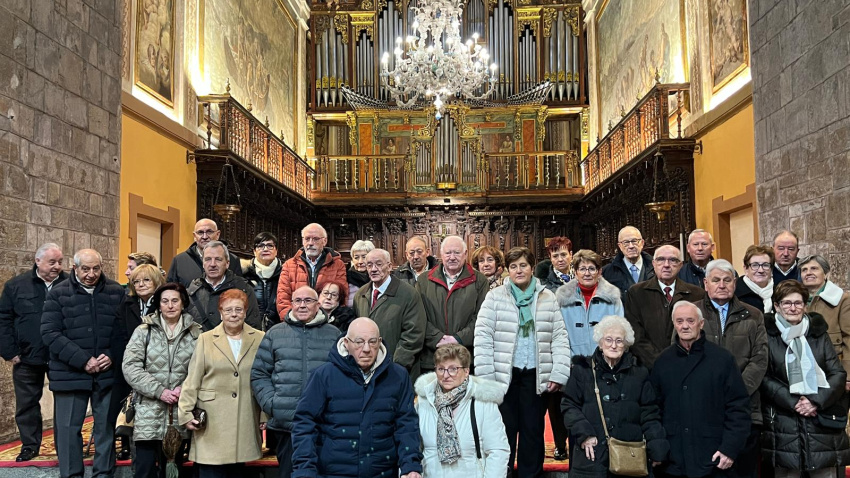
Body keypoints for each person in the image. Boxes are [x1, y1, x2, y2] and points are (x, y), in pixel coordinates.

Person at [474, 247, 570, 478]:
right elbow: (483, 337)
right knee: (503, 435)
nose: (519, 270)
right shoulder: (495, 297)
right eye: (513, 266)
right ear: (507, 270)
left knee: (533, 433)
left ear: (532, 267)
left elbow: (559, 336)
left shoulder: (547, 297)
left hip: (536, 376)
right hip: (503, 377)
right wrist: (487, 379)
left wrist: (558, 372)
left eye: (523, 265)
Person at [291, 317, 423, 478]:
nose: (366, 348)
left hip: (382, 471)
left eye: (372, 342)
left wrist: (411, 465)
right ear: (346, 343)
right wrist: (304, 470)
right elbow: (305, 423)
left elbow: (406, 424)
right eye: (359, 342)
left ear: (380, 341)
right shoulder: (324, 375)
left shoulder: (398, 376)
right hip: (333, 472)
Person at [41, 249, 126, 478]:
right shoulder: (58, 294)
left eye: (95, 268)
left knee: (105, 429)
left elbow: (124, 330)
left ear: (102, 267)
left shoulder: (116, 292)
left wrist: (111, 354)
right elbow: (49, 333)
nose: (91, 274)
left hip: (106, 374)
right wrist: (83, 360)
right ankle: (71, 475)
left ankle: (103, 474)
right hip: (69, 374)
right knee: (68, 430)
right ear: (74, 268)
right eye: (85, 269)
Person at [649, 301, 751, 478]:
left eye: (690, 320)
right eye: (679, 321)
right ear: (674, 324)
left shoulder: (722, 359)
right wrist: (658, 448)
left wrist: (729, 448)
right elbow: (652, 410)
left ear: (701, 323)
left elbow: (738, 408)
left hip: (713, 457)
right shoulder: (662, 361)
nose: (685, 326)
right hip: (673, 459)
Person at [761, 281, 850, 478]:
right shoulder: (767, 335)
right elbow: (764, 377)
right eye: (786, 303)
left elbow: (837, 374)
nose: (793, 308)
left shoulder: (818, 333)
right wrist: (793, 402)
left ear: (805, 305)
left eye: (798, 303)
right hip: (784, 422)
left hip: (820, 421)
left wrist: (815, 401)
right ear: (776, 306)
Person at [561, 315, 669, 477]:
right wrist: (585, 434)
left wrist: (657, 445)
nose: (613, 345)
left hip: (628, 457)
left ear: (626, 345)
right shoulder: (582, 370)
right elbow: (569, 406)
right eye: (608, 339)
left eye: (619, 341)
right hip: (592, 456)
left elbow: (650, 413)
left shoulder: (639, 373)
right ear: (600, 342)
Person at [251, 286, 340, 478]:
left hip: (324, 425)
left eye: (308, 301)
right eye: (297, 301)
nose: (302, 305)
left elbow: (343, 376)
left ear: (318, 305)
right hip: (286, 426)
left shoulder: (334, 335)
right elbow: (259, 373)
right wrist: (273, 405)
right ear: (291, 304)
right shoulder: (275, 333)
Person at [178, 289, 265, 478]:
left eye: (238, 310)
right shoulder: (205, 339)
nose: (234, 314)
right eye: (228, 310)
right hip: (212, 420)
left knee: (238, 471)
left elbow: (264, 379)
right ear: (220, 313)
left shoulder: (260, 338)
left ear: (245, 311)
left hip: (245, 416)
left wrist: (264, 414)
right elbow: (192, 379)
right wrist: (184, 412)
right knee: (211, 471)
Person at [694, 259, 768, 478]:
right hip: (703, 409)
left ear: (735, 283)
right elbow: (681, 357)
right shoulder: (692, 313)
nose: (722, 285)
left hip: (745, 408)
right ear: (705, 283)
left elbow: (760, 359)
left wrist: (736, 393)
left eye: (727, 280)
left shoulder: (753, 314)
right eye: (716, 280)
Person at [122, 282, 201, 478]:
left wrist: (185, 389)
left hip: (180, 410)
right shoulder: (144, 331)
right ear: (158, 305)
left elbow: (203, 369)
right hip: (148, 409)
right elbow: (130, 366)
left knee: (174, 468)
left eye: (175, 300)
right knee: (145, 468)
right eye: (165, 301)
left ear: (183, 303)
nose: (170, 305)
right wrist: (160, 391)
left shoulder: (196, 333)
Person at [0, 243, 67, 462]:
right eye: (52, 262)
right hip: (27, 356)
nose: (57, 266)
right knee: (27, 403)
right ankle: (30, 445)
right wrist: (9, 351)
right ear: (37, 261)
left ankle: (65, 445)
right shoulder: (16, 286)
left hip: (62, 356)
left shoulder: (70, 284)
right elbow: (4, 319)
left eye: (60, 262)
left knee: (65, 402)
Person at [553, 249, 622, 461]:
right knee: (577, 421)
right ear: (575, 271)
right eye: (582, 268)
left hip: (604, 366)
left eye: (592, 268)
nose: (587, 273)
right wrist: (569, 361)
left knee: (603, 418)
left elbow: (619, 329)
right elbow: (558, 332)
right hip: (574, 367)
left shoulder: (612, 297)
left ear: (600, 271)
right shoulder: (562, 297)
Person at [414, 344, 510, 477]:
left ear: (466, 371)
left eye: (453, 369)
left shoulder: (483, 403)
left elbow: (498, 451)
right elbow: (413, 448)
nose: (446, 375)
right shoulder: (424, 402)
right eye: (441, 369)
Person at [112, 264, 166, 461]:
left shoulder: (164, 302)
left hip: (158, 366)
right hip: (130, 365)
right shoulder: (127, 304)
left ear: (156, 281)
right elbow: (117, 335)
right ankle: (127, 446)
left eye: (146, 280)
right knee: (128, 409)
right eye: (136, 281)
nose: (141, 284)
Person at [416, 236, 489, 374]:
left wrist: (458, 338)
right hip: (432, 358)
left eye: (457, 252)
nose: (452, 257)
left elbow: (482, 318)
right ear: (441, 255)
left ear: (465, 254)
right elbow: (419, 317)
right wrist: (438, 338)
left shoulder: (479, 281)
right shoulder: (424, 281)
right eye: (448, 253)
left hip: (466, 358)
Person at [625, 245, 705, 369]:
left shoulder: (697, 294)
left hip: (690, 367)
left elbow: (701, 333)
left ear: (680, 265)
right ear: (653, 264)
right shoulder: (636, 293)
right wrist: (660, 363)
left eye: (673, 260)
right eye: (661, 260)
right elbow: (636, 336)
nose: (666, 265)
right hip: (650, 368)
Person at [353, 248, 426, 375]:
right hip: (366, 369)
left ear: (389, 266)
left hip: (397, 370)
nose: (373, 269)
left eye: (379, 264)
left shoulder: (408, 294)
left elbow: (414, 334)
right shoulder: (361, 294)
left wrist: (396, 365)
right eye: (369, 265)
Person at [186, 241, 261, 331]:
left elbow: (253, 328)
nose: (212, 264)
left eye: (218, 259)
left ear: (227, 263)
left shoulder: (243, 289)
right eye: (208, 259)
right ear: (203, 263)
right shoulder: (192, 291)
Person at [277, 223, 346, 315]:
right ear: (302, 241)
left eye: (315, 239)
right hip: (296, 321)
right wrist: (292, 320)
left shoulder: (338, 264)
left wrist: (325, 320)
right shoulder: (289, 265)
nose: (310, 243)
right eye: (307, 239)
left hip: (326, 321)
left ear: (324, 241)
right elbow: (283, 298)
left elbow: (341, 297)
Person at [801, 255, 850, 383]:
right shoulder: (796, 300)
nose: (808, 273)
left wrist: (848, 375)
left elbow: (849, 338)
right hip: (804, 370)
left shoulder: (842, 299)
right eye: (804, 270)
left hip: (833, 371)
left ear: (826, 273)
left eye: (814, 268)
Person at [167, 218, 242, 287]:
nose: (205, 236)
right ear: (194, 236)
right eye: (200, 232)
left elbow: (239, 290)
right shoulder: (179, 261)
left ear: (217, 234)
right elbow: (170, 291)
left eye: (209, 232)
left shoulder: (232, 260)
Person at [243, 232, 283, 331]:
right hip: (250, 328)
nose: (265, 249)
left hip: (278, 328)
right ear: (254, 251)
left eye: (270, 246)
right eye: (260, 246)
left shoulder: (285, 273)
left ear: (276, 251)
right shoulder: (244, 273)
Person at [601, 226, 656, 299]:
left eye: (634, 241)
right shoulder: (607, 272)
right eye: (626, 242)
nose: (631, 246)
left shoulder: (656, 267)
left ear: (642, 243)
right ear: (620, 246)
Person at [735, 245, 776, 313]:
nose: (761, 270)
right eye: (755, 265)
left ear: (771, 269)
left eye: (765, 265)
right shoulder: (735, 294)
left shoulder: (779, 293)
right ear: (746, 269)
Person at [346, 240, 374, 307]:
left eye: (364, 257)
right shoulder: (346, 279)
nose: (360, 261)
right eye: (356, 258)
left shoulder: (378, 278)